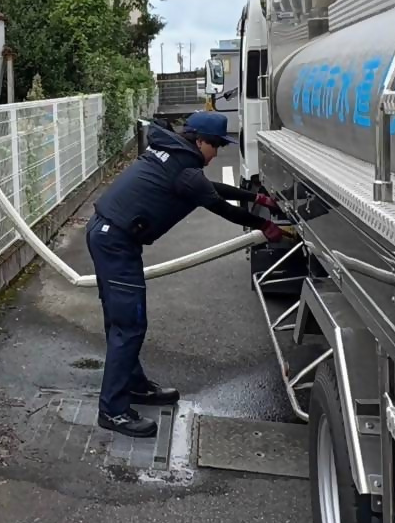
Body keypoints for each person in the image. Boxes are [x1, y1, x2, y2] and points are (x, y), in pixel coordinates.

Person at [86, 110, 289, 437]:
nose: (217, 153)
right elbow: (217, 204)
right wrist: (263, 223)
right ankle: (113, 410)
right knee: (130, 324)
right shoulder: (185, 169)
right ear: (200, 141)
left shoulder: (177, 158)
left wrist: (257, 198)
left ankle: (134, 385)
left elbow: (209, 189)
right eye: (216, 146)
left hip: (109, 234)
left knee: (122, 321)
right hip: (115, 243)